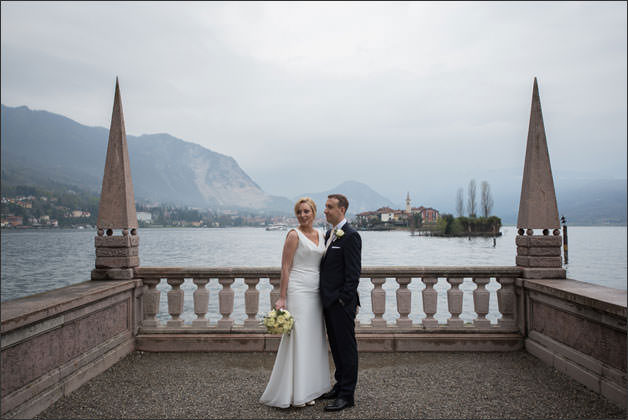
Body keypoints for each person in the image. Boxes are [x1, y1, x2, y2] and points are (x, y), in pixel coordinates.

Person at [260, 197, 331, 408]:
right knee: (298, 338)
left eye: (307, 211)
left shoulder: (321, 234)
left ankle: (309, 387)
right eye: (299, 212)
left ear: (314, 212)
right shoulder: (293, 235)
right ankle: (295, 393)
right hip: (298, 291)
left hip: (316, 292)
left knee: (313, 338)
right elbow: (285, 267)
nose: (303, 215)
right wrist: (282, 297)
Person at [318, 194, 362, 412]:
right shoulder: (329, 234)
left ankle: (347, 395)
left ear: (342, 210)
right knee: (335, 346)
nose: (325, 210)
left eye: (329, 207)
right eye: (325, 207)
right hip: (328, 302)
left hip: (341, 303)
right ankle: (339, 384)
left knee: (346, 348)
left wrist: (344, 299)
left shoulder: (351, 236)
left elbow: (353, 274)